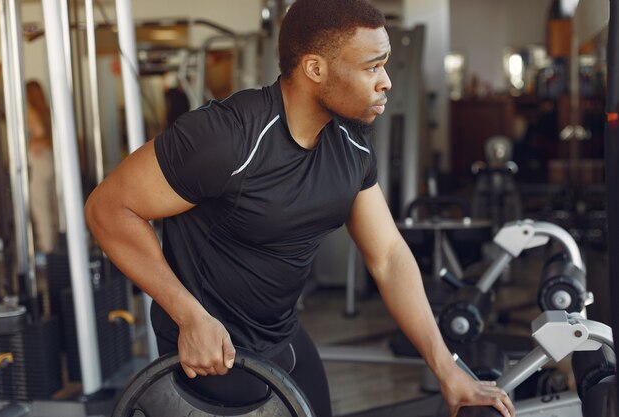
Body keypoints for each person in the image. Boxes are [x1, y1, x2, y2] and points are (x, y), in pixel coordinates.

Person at [85, 1, 515, 416]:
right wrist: (188, 315)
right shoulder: (226, 137)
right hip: (211, 352)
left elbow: (387, 256)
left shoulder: (350, 145)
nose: (386, 81)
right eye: (371, 67)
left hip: (284, 338)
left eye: (384, 65)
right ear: (315, 68)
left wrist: (447, 369)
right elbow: (109, 209)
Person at [26, 80, 58, 257]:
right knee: (52, 204)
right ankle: (55, 243)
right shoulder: (46, 109)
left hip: (39, 162)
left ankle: (47, 248)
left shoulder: (31, 110)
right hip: (50, 159)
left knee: (40, 205)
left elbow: (38, 132)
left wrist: (31, 141)